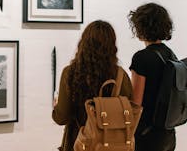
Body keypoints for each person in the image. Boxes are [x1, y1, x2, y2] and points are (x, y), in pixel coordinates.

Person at [52, 20, 133, 151]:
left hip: (78, 143)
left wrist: (56, 106)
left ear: (83, 43)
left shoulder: (70, 73)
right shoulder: (120, 75)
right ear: (112, 45)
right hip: (111, 145)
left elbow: (62, 117)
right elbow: (129, 110)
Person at [128, 3, 176, 151]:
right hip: (167, 133)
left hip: (146, 134)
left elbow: (135, 103)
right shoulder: (170, 54)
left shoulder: (142, 58)